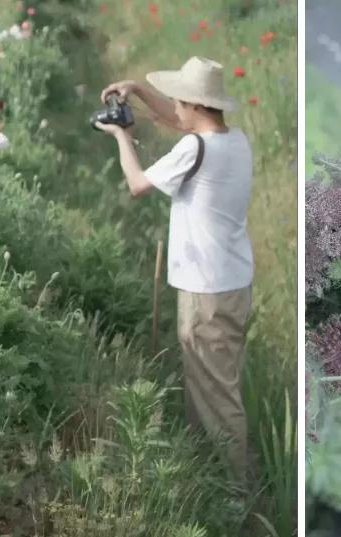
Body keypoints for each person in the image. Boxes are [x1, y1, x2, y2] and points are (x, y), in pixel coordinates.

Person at [95, 56, 255, 479]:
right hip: (231, 282)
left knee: (219, 399)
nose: (175, 109)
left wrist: (120, 136)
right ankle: (214, 476)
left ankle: (240, 495)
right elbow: (186, 126)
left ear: (195, 104)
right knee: (213, 388)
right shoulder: (234, 141)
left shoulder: (194, 148)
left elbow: (137, 185)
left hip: (207, 291)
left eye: (179, 101)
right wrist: (142, 91)